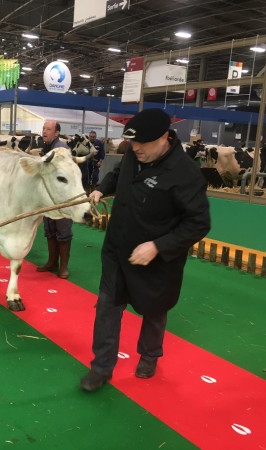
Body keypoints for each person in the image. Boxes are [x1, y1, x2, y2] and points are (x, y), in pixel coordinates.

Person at [80, 108, 211, 392]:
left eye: (143, 144)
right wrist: (101, 188)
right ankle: (101, 368)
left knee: (154, 308)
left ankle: (149, 355)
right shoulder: (134, 154)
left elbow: (199, 223)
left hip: (156, 259)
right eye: (133, 143)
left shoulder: (185, 173)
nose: (136, 149)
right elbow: (117, 174)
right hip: (117, 249)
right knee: (107, 306)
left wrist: (158, 246)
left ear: (165, 138)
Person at [37, 120, 74, 279]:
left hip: (63, 198)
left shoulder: (61, 149)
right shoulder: (46, 147)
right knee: (50, 229)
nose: (44, 131)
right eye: (44, 128)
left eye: (48, 129)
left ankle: (64, 267)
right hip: (50, 197)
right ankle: (52, 262)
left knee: (63, 231)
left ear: (57, 133)